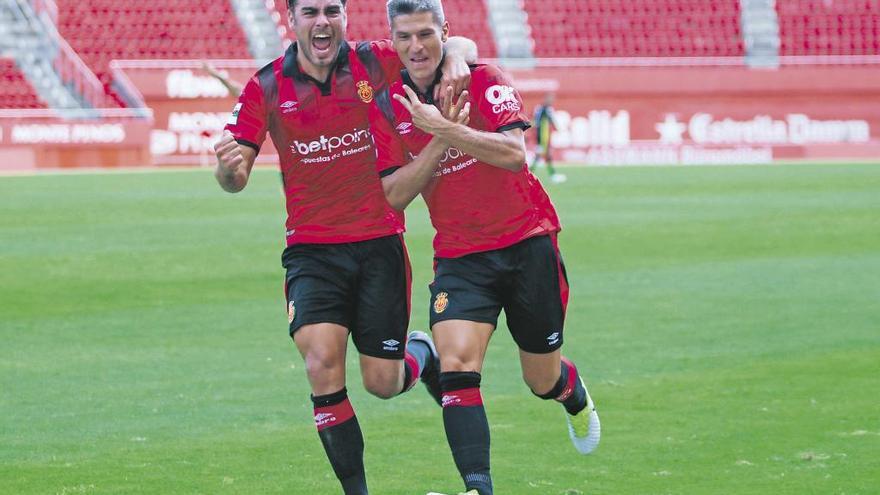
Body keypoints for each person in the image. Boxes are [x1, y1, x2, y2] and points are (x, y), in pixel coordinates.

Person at [213, 1, 476, 493]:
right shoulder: (265, 85)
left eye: (332, 10)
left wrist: (459, 54)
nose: (322, 22)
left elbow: (445, 45)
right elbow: (235, 175)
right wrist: (229, 169)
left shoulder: (375, 61)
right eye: (309, 11)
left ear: (345, 16)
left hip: (379, 244)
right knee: (321, 362)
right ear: (290, 19)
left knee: (382, 382)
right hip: (312, 251)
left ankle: (421, 354)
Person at [367, 1, 600, 494]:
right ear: (392, 39)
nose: (416, 47)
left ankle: (571, 393)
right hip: (460, 253)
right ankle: (479, 488)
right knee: (456, 364)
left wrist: (447, 129)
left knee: (541, 380)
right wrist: (435, 138)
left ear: (444, 33)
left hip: (527, 241)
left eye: (426, 35)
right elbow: (394, 194)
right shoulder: (388, 102)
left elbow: (516, 154)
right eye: (404, 37)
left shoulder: (481, 75)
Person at [529, 92, 566, 183]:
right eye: (550, 99)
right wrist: (557, 128)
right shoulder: (544, 109)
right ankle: (552, 175)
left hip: (543, 137)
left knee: (542, 156)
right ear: (545, 99)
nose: (552, 101)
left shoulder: (542, 109)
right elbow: (537, 122)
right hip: (542, 138)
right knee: (543, 156)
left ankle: (530, 174)